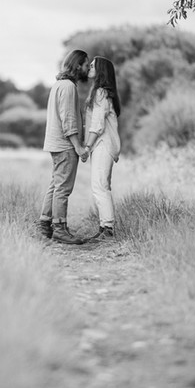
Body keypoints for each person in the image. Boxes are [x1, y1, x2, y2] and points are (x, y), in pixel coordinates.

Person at [37, 49, 90, 245]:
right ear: (78, 65)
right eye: (86, 65)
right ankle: (60, 229)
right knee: (63, 189)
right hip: (65, 145)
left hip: (55, 143)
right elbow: (68, 119)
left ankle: (45, 225)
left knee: (55, 185)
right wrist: (78, 146)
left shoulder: (58, 85)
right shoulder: (68, 87)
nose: (87, 68)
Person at [83, 56, 121, 241]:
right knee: (101, 186)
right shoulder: (102, 92)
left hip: (102, 144)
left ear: (100, 70)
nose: (89, 67)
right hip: (103, 145)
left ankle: (107, 229)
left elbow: (97, 124)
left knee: (100, 187)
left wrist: (87, 146)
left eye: (92, 65)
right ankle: (105, 227)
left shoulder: (101, 92)